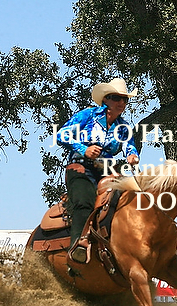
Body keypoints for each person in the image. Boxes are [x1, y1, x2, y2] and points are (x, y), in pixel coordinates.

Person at [56, 78, 140, 263]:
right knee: (84, 201)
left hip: (107, 170)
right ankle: (77, 247)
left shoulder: (124, 127)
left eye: (125, 99)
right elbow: (62, 134)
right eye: (117, 98)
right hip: (80, 167)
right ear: (106, 99)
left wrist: (132, 155)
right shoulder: (88, 115)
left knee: (130, 197)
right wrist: (83, 149)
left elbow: (129, 146)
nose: (122, 103)